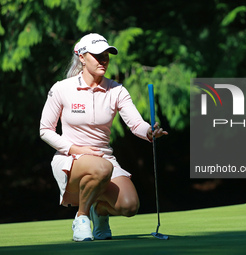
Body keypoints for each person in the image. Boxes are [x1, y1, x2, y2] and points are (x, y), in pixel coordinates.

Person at [39, 33, 168, 242]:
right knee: (101, 168)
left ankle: (99, 211)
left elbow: (136, 124)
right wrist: (77, 150)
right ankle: (81, 217)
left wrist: (149, 132)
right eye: (97, 55)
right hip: (71, 160)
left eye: (106, 55)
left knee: (129, 205)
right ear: (81, 57)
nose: (104, 60)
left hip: (104, 161)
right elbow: (45, 130)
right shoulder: (62, 88)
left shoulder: (116, 90)